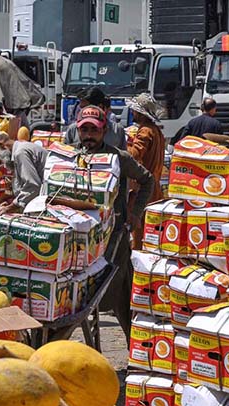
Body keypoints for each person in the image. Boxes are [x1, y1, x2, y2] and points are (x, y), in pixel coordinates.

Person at [71, 106, 154, 341]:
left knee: (121, 298)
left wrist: (135, 214)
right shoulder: (71, 157)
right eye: (84, 130)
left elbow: (147, 181)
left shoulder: (119, 157)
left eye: (93, 130)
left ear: (104, 130)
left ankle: (135, 353)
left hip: (114, 239)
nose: (88, 136)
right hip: (80, 240)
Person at [126, 93, 165, 245]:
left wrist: (123, 146)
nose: (132, 113)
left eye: (135, 111)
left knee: (138, 228)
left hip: (143, 187)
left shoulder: (145, 131)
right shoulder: (157, 131)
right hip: (155, 186)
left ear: (141, 113)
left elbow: (134, 154)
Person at [0, 130, 48, 213]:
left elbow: (33, 186)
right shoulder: (19, 150)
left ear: (0, 145)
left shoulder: (20, 153)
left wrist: (11, 207)